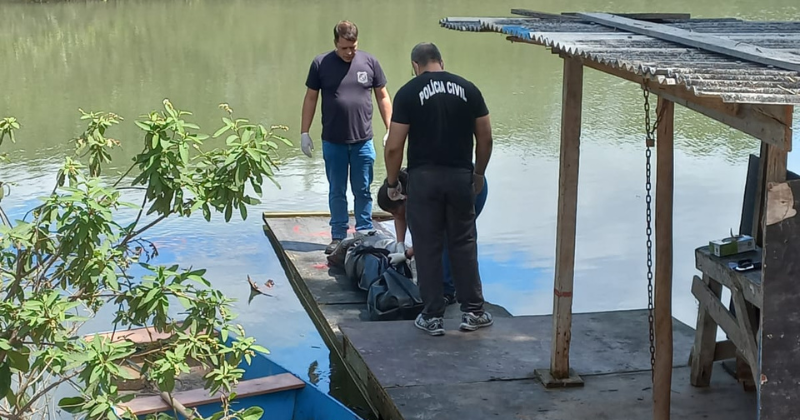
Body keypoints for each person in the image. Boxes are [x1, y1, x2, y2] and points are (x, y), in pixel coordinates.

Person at [383, 42, 493, 336]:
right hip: (460, 177)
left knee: (428, 245)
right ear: (441, 62)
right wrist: (479, 173)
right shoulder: (468, 89)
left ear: (415, 66)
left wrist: (393, 182)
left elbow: (394, 146)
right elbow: (485, 138)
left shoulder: (408, 92)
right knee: (464, 243)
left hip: (424, 179)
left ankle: (432, 316)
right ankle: (474, 312)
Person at [300, 20, 393, 254]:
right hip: (333, 141)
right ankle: (338, 235)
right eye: (344, 48)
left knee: (363, 189)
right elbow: (311, 98)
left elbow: (382, 96)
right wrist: (304, 132)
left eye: (353, 47)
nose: (349, 52)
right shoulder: (321, 63)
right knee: (337, 190)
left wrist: (390, 129)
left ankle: (364, 231)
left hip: (363, 140)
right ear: (335, 43)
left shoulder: (370, 62)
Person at [376, 168, 489, 306]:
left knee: (451, 236)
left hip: (472, 185)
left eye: (394, 211)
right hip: (450, 181)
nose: (394, 215)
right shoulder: (401, 190)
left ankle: (449, 292)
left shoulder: (424, 197)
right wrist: (400, 244)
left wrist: (406, 254)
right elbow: (399, 217)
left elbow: (432, 235)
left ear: (405, 199)